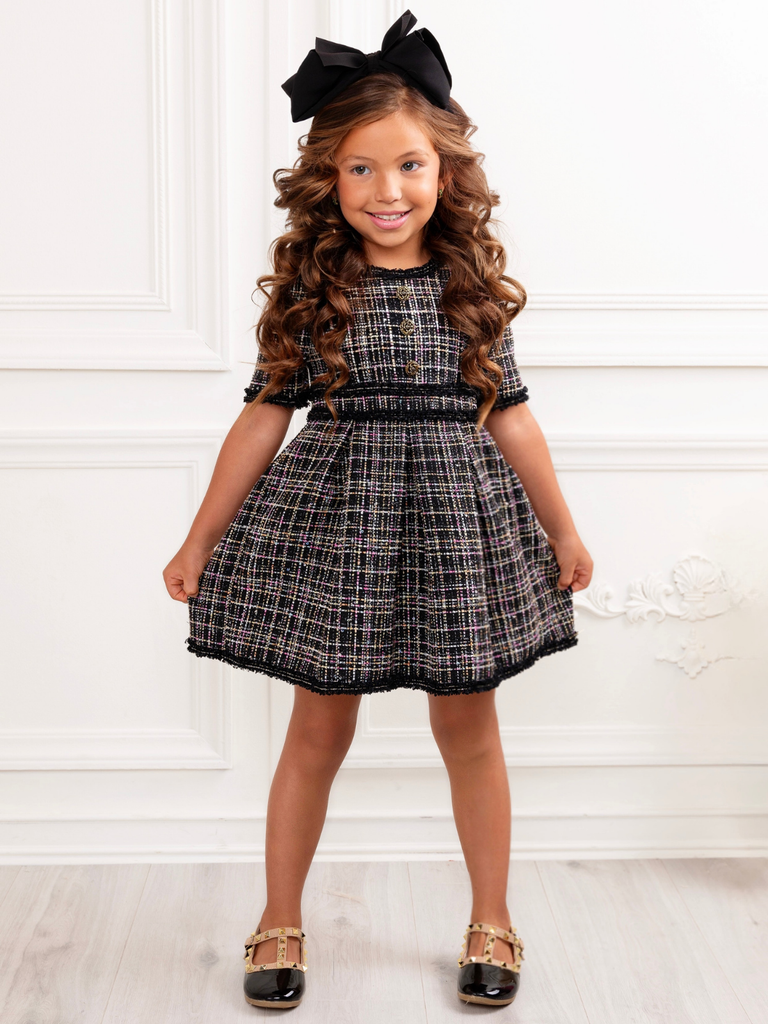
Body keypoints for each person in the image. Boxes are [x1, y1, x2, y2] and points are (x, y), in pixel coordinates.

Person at [163, 9, 593, 1011]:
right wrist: (200, 537)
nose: (386, 190)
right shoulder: (315, 288)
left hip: (456, 529)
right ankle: (279, 916)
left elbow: (514, 418)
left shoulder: (469, 288)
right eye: (360, 169)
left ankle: (493, 916)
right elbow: (263, 417)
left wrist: (564, 528)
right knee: (316, 733)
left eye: (407, 166)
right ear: (329, 177)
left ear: (445, 173)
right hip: (340, 533)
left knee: (470, 731)